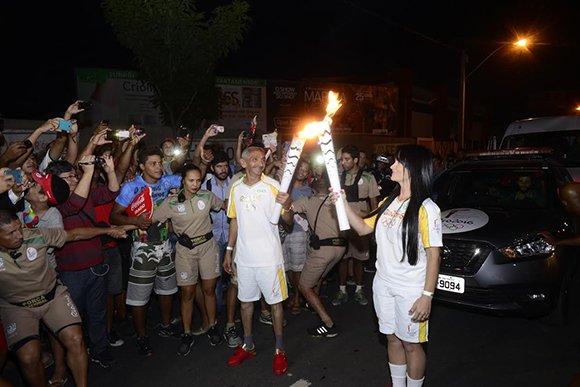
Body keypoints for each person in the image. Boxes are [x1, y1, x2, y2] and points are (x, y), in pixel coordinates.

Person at [331, 144, 442, 387]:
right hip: (384, 284)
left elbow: (434, 256)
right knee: (392, 338)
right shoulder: (388, 202)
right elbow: (362, 228)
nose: (391, 166)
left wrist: (427, 296)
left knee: (411, 345)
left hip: (411, 289)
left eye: (398, 163)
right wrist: (342, 203)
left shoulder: (427, 209)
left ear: (411, 169)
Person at [0, 210, 129, 387]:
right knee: (28, 357)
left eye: (18, 228)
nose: (19, 235)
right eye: (11, 233)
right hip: (17, 307)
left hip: (52, 296)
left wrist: (107, 231)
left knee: (76, 339)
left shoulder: (36, 235)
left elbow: (74, 234)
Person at [223, 145, 293, 375]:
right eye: (254, 159)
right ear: (243, 163)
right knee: (246, 303)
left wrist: (288, 205)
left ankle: (280, 350)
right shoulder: (236, 189)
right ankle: (248, 344)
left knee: (275, 304)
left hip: (270, 258)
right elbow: (234, 221)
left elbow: (288, 221)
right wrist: (229, 251)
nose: (259, 162)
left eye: (262, 159)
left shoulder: (273, 186)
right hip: (244, 258)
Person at [46, 153, 120, 369]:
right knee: (72, 318)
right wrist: (88, 172)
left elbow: (112, 192)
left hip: (96, 264)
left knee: (98, 313)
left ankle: (99, 350)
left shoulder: (87, 194)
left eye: (74, 176)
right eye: (69, 177)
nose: (75, 180)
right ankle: (75, 355)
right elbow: (75, 205)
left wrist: (111, 170)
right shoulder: (54, 204)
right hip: (71, 272)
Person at [110, 146, 182, 357]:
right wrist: (135, 220)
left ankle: (166, 325)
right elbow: (114, 217)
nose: (158, 167)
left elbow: (191, 177)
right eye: (153, 163)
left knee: (168, 289)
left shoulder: (168, 181)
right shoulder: (131, 188)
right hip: (142, 247)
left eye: (160, 162)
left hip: (166, 244)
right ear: (142, 166)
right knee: (139, 297)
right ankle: (142, 336)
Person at [152, 164, 224, 356]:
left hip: (208, 247)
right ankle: (186, 333)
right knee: (187, 293)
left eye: (198, 180)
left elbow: (225, 206)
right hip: (185, 250)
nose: (195, 184)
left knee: (209, 290)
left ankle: (212, 326)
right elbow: (151, 218)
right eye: (191, 180)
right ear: (182, 180)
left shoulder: (207, 196)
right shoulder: (172, 202)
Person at [291, 171, 346, 337]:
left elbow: (287, 210)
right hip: (340, 248)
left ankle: (327, 323)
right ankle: (312, 303)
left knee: (304, 286)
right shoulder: (337, 200)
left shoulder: (307, 200)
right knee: (319, 275)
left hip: (322, 250)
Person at [333, 145, 379, 307]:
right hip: (342, 223)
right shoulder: (338, 177)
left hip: (361, 223)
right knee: (342, 258)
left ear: (356, 160)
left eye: (347, 159)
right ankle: (342, 290)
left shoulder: (368, 177)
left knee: (360, 259)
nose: (343, 162)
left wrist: (374, 225)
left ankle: (359, 289)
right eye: (342, 159)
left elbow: (374, 203)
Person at [282, 158, 313, 314]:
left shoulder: (309, 191)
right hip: (281, 233)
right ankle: (292, 292)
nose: (301, 172)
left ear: (308, 173)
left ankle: (296, 297)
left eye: (305, 170)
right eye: (299, 168)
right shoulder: (283, 187)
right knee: (286, 267)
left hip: (299, 233)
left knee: (297, 269)